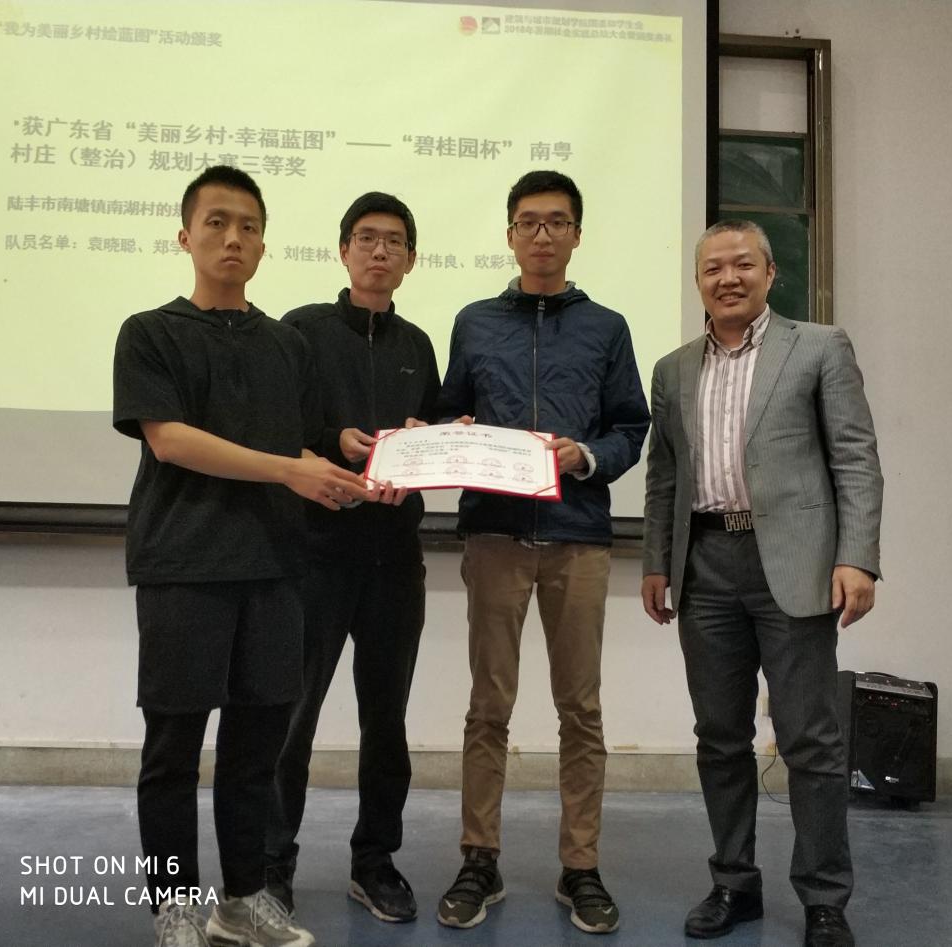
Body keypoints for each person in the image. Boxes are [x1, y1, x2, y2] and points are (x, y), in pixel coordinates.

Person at [113, 165, 396, 947]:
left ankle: (240, 902)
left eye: (248, 226)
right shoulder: (150, 332)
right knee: (173, 752)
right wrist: (290, 469)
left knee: (254, 753)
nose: (232, 238)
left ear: (265, 245)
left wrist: (349, 474)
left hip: (276, 569)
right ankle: (174, 908)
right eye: (216, 222)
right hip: (184, 566)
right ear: (186, 236)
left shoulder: (284, 344)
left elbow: (295, 447)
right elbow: (171, 441)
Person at [640, 219, 883, 947]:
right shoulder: (672, 370)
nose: (728, 278)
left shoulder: (820, 348)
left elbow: (855, 457)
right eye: (713, 268)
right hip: (705, 566)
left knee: (810, 739)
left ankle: (825, 899)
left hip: (796, 563)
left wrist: (857, 556)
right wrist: (656, 561)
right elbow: (664, 476)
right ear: (698, 282)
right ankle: (733, 883)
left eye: (743, 264)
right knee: (720, 736)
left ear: (771, 273)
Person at [435, 170, 651, 935]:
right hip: (494, 535)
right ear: (509, 234)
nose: (542, 234)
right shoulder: (473, 322)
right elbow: (448, 414)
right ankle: (479, 858)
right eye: (529, 222)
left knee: (580, 709)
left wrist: (585, 456)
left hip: (577, 537)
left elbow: (631, 427)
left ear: (577, 235)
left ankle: (580, 865)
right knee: (487, 706)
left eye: (557, 222)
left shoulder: (607, 327)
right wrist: (450, 437)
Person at [264, 192, 440, 925]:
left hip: (395, 557)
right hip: (315, 554)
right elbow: (275, 429)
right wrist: (333, 438)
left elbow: (429, 437)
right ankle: (272, 866)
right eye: (366, 238)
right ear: (342, 251)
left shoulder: (418, 345)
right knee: (290, 717)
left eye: (393, 241)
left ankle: (375, 862)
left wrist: (429, 444)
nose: (379, 251)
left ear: (410, 260)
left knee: (386, 721)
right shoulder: (300, 331)